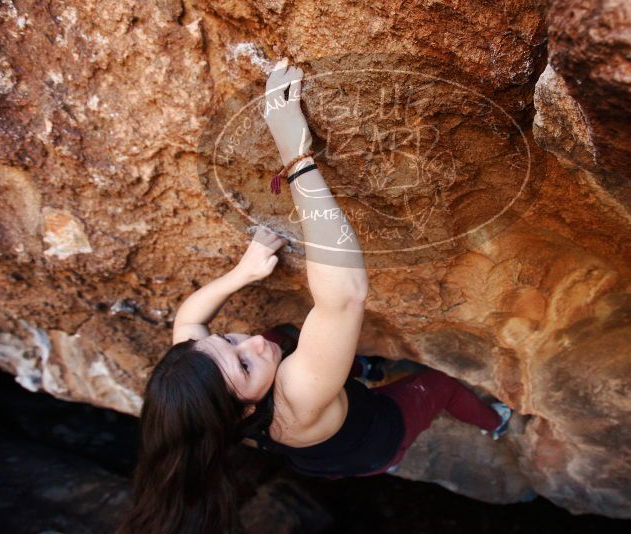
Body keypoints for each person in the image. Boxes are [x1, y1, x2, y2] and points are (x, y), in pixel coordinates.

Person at [118, 58, 512, 534]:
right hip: (378, 440)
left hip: (317, 455)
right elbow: (344, 297)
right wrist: (295, 154)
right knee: (440, 385)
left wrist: (242, 274)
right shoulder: (296, 394)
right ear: (242, 409)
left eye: (228, 338)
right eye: (242, 363)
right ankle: (497, 423)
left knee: (279, 338)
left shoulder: (214, 407)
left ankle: (360, 369)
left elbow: (188, 323)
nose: (251, 344)